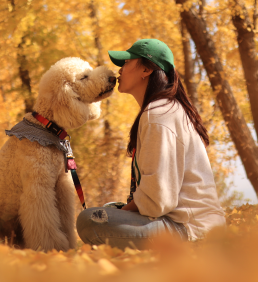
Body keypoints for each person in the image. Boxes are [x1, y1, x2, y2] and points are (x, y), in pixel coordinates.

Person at [76, 39, 225, 250]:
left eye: (126, 63)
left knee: (89, 220)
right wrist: (118, 210)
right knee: (106, 212)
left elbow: (158, 199)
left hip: (190, 230)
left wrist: (120, 213)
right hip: (185, 224)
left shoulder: (159, 115)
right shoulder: (162, 109)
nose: (119, 70)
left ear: (146, 69)